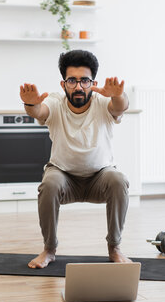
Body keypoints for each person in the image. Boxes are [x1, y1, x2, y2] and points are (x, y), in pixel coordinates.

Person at [19, 49, 132, 269]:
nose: (78, 87)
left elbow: (120, 107)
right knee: (49, 184)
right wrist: (30, 105)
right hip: (64, 176)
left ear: (93, 82)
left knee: (118, 179)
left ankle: (114, 248)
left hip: (100, 177)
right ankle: (49, 249)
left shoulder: (103, 101)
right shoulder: (55, 101)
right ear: (63, 84)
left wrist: (117, 94)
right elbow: (39, 112)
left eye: (84, 81)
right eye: (72, 80)